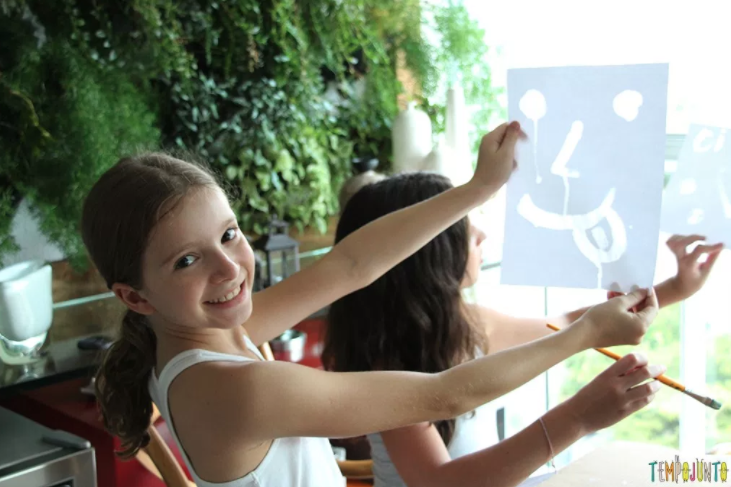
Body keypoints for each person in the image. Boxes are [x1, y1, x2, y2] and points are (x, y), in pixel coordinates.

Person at [82, 122, 659, 487]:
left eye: (229, 235)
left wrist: (476, 191)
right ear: (134, 296)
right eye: (187, 260)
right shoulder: (234, 389)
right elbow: (444, 394)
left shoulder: (201, 333)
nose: (229, 268)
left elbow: (352, 266)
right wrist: (584, 349)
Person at [324, 171, 722, 487]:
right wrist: (579, 417)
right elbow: (439, 482)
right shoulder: (385, 364)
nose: (481, 233)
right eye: (461, 224)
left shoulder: (466, 322)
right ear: (421, 250)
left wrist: (675, 288)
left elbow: (565, 327)